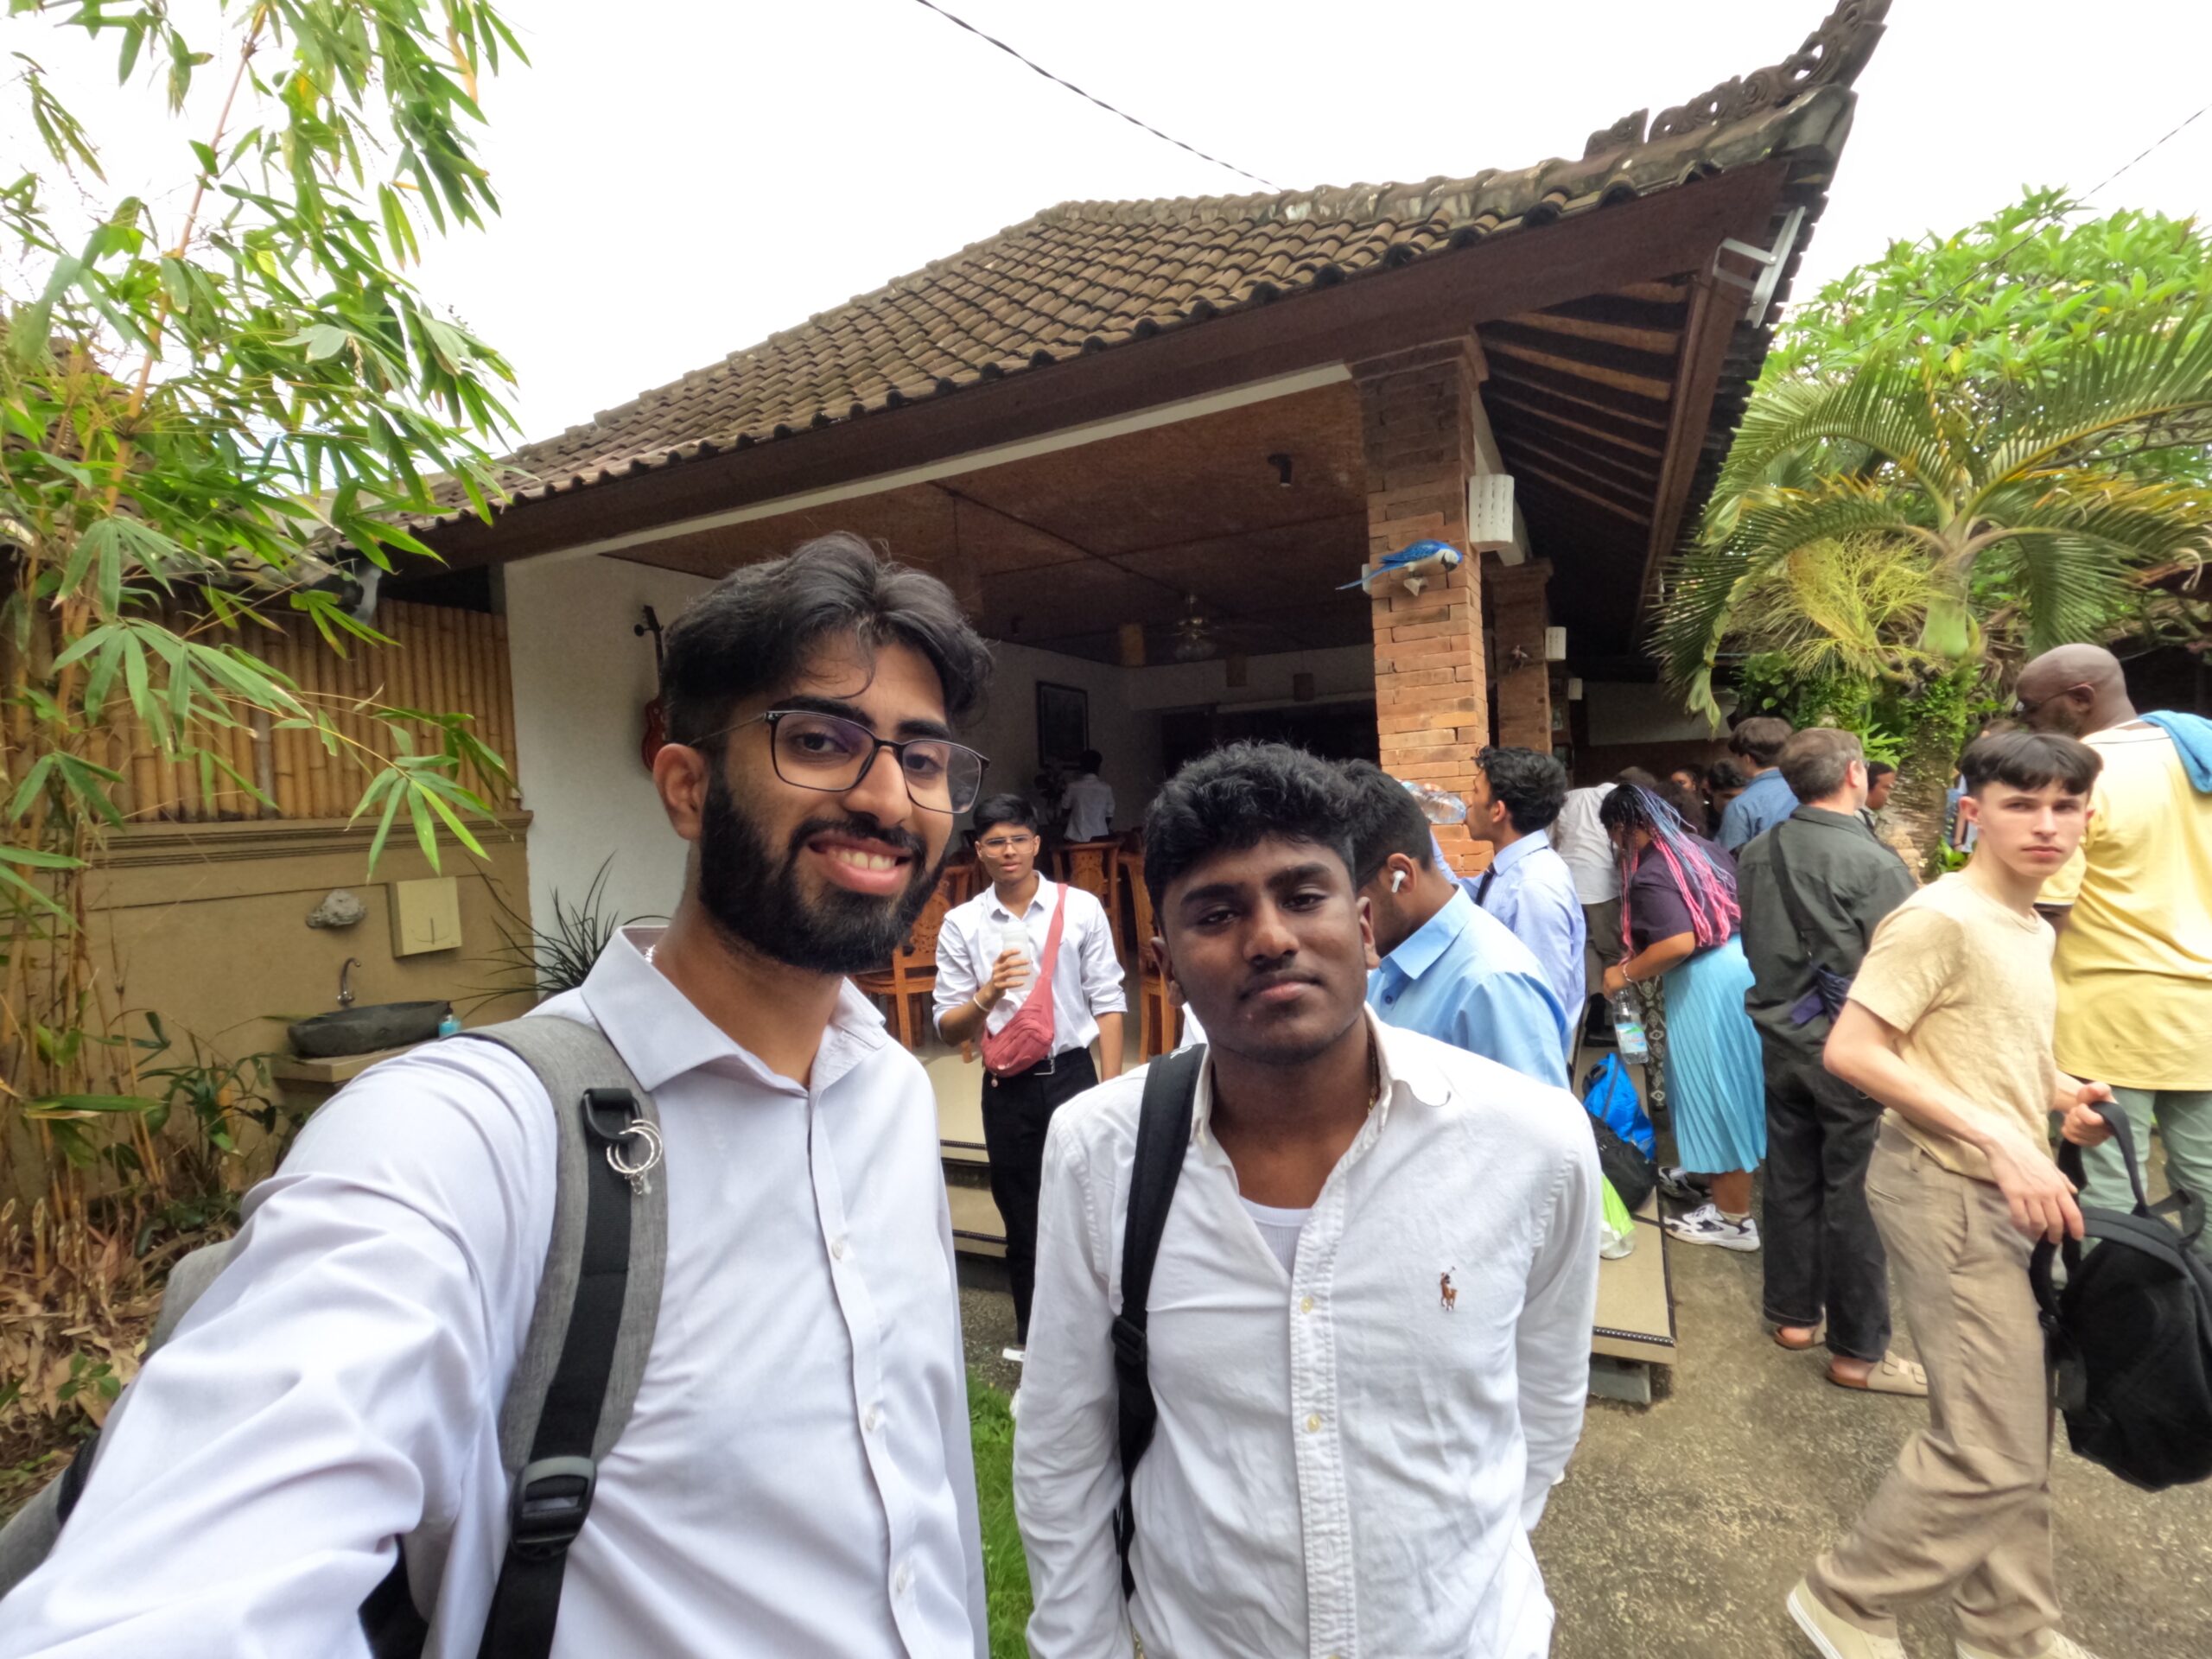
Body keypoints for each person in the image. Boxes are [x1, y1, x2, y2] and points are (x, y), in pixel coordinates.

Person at [0, 535, 993, 1656]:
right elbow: (176, 1605)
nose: (886, 796)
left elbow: (928, 1487)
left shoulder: (891, 1100)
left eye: (923, 759)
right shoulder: (467, 1139)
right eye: (820, 739)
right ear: (687, 785)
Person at [1014, 742, 1600, 1659]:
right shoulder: (1101, 1150)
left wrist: (1440, 1570)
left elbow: (1546, 1402)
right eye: (1217, 912)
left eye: (1302, 896)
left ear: (1366, 925)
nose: (1270, 938)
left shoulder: (1530, 1141)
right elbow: (1062, 1439)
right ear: (1164, 963)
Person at [1789, 730, 2116, 1659]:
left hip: (2001, 1193)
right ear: (1972, 813)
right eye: (2021, 804)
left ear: (2089, 816)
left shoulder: (2020, 921)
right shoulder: (1944, 917)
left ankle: (2010, 1629)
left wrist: (2060, 1101)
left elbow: (1974, 1044)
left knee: (2012, 1423)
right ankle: (1844, 1599)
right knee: (1992, 1443)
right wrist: (2001, 1140)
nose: (2046, 825)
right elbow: (1853, 1050)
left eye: (2064, 806)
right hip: (1946, 1192)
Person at [1736, 728, 1922, 1395]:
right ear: (1853, 772)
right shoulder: (1875, 865)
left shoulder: (1757, 852)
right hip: (1852, 1049)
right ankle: (1857, 1350)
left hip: (1780, 1039)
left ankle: (1792, 1317)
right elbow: (1908, 967)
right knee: (1854, 1192)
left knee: (1789, 1177)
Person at [2015, 643, 2212, 1251]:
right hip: (2201, 1016)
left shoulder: (2079, 775)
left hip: (2105, 1015)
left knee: (2104, 1187)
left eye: (2029, 708)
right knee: (2204, 1181)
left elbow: (2048, 914)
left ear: (2080, 699)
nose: (2025, 723)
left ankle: (2108, 1330)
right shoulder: (2198, 750)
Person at [935, 793, 1126, 1351]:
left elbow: (1108, 1000)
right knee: (1021, 1218)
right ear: (978, 850)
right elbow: (949, 1027)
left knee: (1091, 1210)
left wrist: (1110, 1090)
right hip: (1007, 1087)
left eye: (1019, 838)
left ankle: (1100, 1336)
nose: (1009, 850)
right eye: (995, 841)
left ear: (1038, 843)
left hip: (1071, 1076)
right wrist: (989, 992)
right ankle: (1034, 1342)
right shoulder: (962, 924)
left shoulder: (1081, 908)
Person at [1600, 785, 1766, 1249]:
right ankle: (1705, 1172)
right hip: (1738, 967)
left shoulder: (1652, 872)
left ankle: (1734, 1221)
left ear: (1626, 827)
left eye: (1614, 833)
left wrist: (1623, 974)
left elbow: (1677, 944)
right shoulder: (1702, 849)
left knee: (1716, 1094)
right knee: (1716, 1085)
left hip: (1705, 982)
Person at [1342, 760, 1571, 1087]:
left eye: (1348, 899)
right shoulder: (1389, 962)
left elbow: (1541, 1134)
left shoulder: (1494, 986)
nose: (1342, 922)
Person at [1466, 746, 1589, 1044]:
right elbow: (1455, 897)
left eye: (1475, 792)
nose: (1466, 802)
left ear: (1497, 811)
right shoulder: (1512, 869)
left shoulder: (1534, 887)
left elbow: (1543, 1004)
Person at [1554, 775, 1624, 997]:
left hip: (1567, 883)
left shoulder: (1566, 799)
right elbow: (1619, 844)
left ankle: (1595, 998)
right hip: (1602, 886)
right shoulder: (1613, 798)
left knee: (1585, 945)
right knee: (1613, 951)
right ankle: (1617, 1006)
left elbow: (1550, 842)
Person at [1718, 715, 1798, 849]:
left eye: (1735, 756)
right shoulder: (1807, 790)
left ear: (1747, 759)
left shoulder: (1741, 806)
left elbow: (1728, 860)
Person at [1061, 748, 1115, 842]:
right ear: (1099, 767)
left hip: (1076, 838)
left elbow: (1064, 810)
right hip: (1100, 838)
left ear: (1081, 767)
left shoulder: (1073, 787)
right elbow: (1109, 815)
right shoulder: (1106, 788)